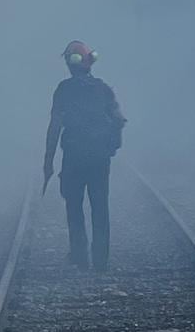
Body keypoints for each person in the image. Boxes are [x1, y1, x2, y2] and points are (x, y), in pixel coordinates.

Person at [41, 40, 126, 272]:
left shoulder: (63, 90)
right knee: (100, 207)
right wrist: (111, 147)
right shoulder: (104, 89)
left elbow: (54, 127)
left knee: (74, 206)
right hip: (99, 159)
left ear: (70, 65)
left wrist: (48, 162)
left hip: (74, 158)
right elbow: (118, 120)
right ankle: (101, 260)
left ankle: (80, 256)